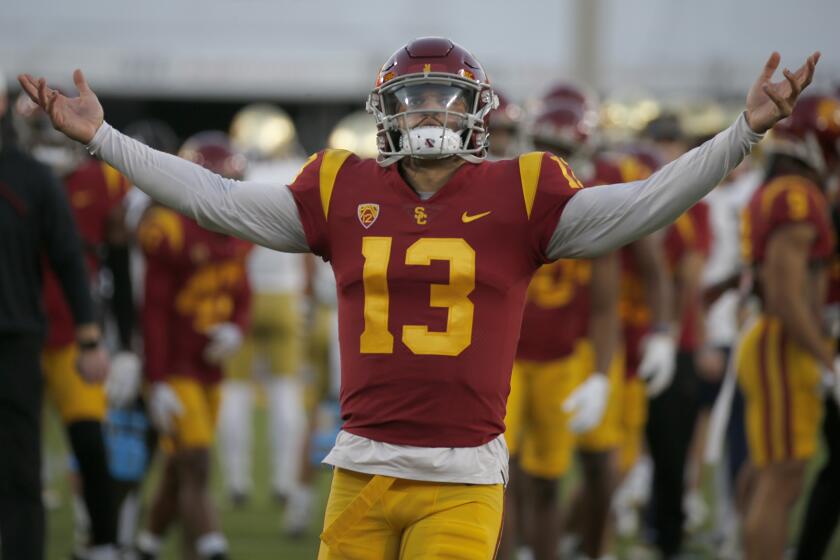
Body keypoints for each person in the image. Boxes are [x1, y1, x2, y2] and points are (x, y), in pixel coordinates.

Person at [19, 38, 817, 558]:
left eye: (446, 99)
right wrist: (102, 139)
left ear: (477, 112)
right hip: (359, 471)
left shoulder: (525, 190)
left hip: (462, 475)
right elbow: (212, 198)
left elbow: (647, 201)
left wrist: (741, 133)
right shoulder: (340, 187)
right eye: (414, 99)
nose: (430, 111)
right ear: (386, 112)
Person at [0, 69, 108, 560]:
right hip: (28, 332)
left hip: (29, 337)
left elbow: (75, 259)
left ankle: (104, 541)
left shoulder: (36, 177)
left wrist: (98, 337)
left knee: (53, 459)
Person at [133, 131, 252, 560]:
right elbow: (155, 311)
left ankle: (145, 546)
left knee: (179, 465)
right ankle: (210, 547)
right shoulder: (168, 229)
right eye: (215, 182)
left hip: (210, 368)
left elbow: (243, 293)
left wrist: (237, 327)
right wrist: (157, 378)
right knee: (198, 461)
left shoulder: (239, 233)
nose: (224, 194)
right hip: (176, 367)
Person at [737, 94, 840, 560]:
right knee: (782, 478)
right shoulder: (796, 196)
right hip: (784, 343)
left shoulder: (780, 190)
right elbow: (785, 296)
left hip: (779, 340)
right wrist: (826, 358)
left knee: (771, 472)